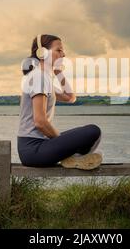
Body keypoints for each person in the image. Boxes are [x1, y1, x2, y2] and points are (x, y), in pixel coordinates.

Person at [17, 34, 102, 170]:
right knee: (93, 131)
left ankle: (73, 158)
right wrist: (59, 140)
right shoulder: (39, 77)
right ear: (42, 53)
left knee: (89, 132)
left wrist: (58, 72)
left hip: (36, 147)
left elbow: (70, 97)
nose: (63, 54)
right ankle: (73, 157)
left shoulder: (44, 78)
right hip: (34, 150)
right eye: (59, 50)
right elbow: (40, 122)